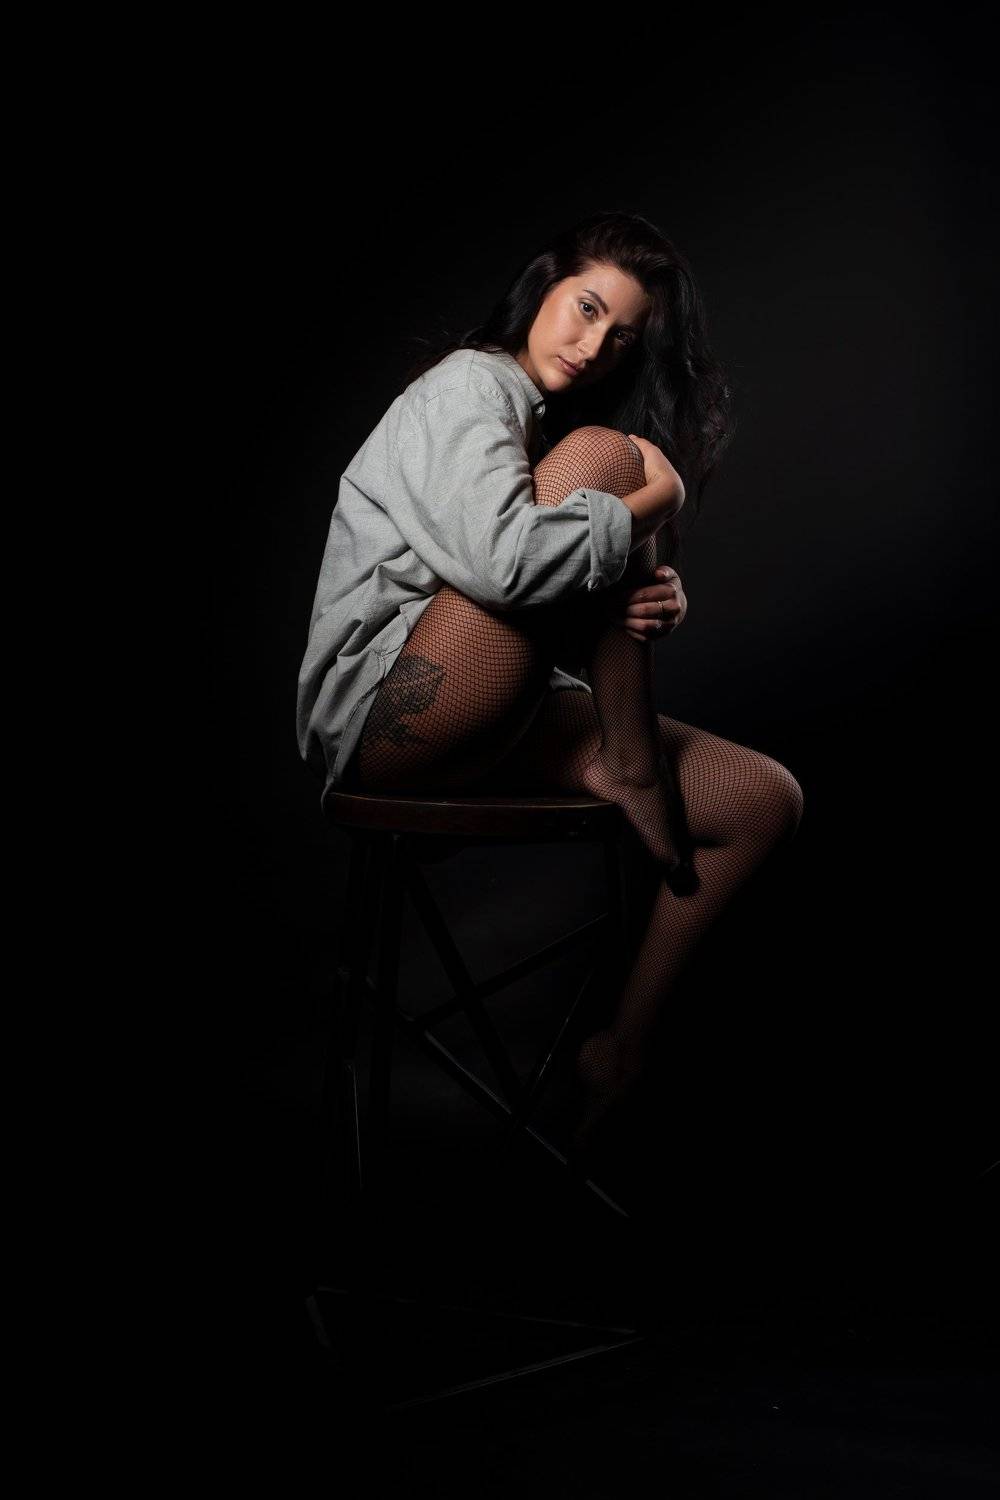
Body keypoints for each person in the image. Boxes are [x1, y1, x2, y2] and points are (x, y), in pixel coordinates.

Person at [296, 210, 804, 1164]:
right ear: (544, 285)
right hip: (387, 721)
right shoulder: (467, 386)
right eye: (586, 308)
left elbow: (535, 588)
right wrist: (657, 500)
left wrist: (647, 587)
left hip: (493, 711)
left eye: (622, 337)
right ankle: (629, 759)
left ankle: (620, 1051)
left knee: (762, 800)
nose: (594, 345)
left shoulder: (535, 419)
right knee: (613, 459)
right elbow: (507, 569)